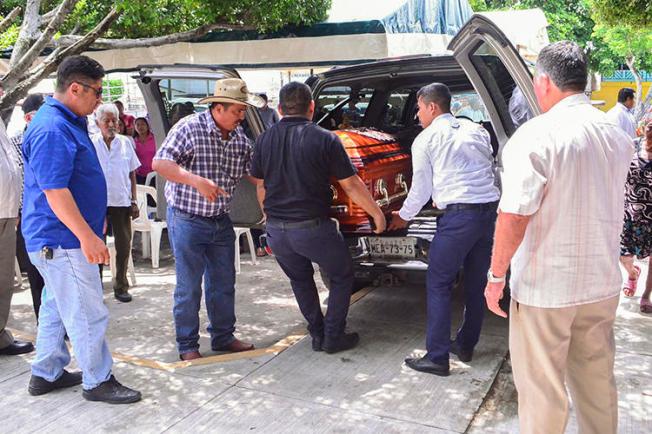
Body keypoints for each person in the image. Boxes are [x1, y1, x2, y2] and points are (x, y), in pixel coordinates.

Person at [484, 41, 632, 434]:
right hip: (600, 284)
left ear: (544, 81)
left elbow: (514, 214)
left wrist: (496, 276)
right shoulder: (616, 134)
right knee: (597, 381)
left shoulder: (536, 135)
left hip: (546, 288)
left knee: (543, 390)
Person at [21, 55, 141, 403]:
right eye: (97, 92)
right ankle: (97, 379)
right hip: (62, 239)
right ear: (75, 88)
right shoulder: (52, 128)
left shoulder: (66, 120)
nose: (100, 99)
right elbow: (55, 191)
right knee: (86, 310)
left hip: (59, 238)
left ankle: (46, 372)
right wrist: (87, 236)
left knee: (58, 306)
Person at [250, 82, 386, 354]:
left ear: (279, 109)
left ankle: (317, 333)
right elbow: (351, 185)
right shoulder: (325, 138)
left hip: (278, 231)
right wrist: (377, 213)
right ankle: (333, 335)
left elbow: (260, 185)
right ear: (312, 108)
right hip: (313, 229)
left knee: (300, 280)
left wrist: (268, 215)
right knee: (341, 276)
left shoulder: (264, 139)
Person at [388, 82, 499, 377]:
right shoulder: (477, 131)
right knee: (475, 283)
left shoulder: (426, 139)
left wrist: (404, 216)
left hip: (458, 218)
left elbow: (421, 189)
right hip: (488, 214)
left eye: (419, 108)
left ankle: (437, 357)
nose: (417, 115)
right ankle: (465, 344)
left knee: (438, 282)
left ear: (432, 107)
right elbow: (488, 167)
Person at [153, 78, 263, 361]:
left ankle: (223, 337)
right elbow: (160, 163)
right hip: (188, 219)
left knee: (224, 283)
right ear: (218, 108)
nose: (242, 117)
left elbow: (255, 175)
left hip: (221, 220)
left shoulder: (240, 140)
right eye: (238, 110)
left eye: (242, 111)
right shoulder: (189, 128)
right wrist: (195, 181)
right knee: (189, 286)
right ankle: (187, 345)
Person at [91, 103, 140, 302]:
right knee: (96, 246)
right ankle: (95, 290)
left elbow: (132, 174)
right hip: (97, 204)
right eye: (107, 121)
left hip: (121, 201)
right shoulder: (91, 143)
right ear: (98, 123)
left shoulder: (125, 143)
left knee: (123, 245)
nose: (111, 124)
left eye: (114, 120)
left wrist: (134, 200)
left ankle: (121, 286)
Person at [0, 102, 35, 357]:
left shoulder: (2, 123)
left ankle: (0, 335)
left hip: (8, 211)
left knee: (4, 281)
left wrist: (18, 209)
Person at [12, 93, 46, 320]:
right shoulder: (15, 141)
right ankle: (43, 318)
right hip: (28, 214)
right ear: (28, 118)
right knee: (36, 272)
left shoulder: (49, 137)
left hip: (53, 211)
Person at [620, 121, 652, 313]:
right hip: (629, 213)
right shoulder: (632, 145)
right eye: (649, 123)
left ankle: (646, 295)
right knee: (623, 256)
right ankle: (632, 273)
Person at [133, 116, 157, 184]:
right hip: (139, 175)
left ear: (147, 126)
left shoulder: (154, 138)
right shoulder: (132, 141)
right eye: (138, 124)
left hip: (154, 174)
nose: (140, 127)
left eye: (143, 124)